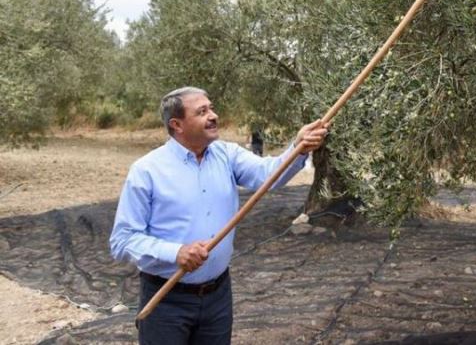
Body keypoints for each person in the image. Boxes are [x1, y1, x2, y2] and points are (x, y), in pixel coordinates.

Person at [109, 86, 328, 345]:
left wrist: (298, 147)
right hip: (166, 299)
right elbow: (122, 241)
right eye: (202, 112)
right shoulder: (147, 171)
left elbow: (267, 175)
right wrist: (176, 252)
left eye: (211, 108)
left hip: (217, 297)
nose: (213, 115)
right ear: (177, 124)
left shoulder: (227, 154)